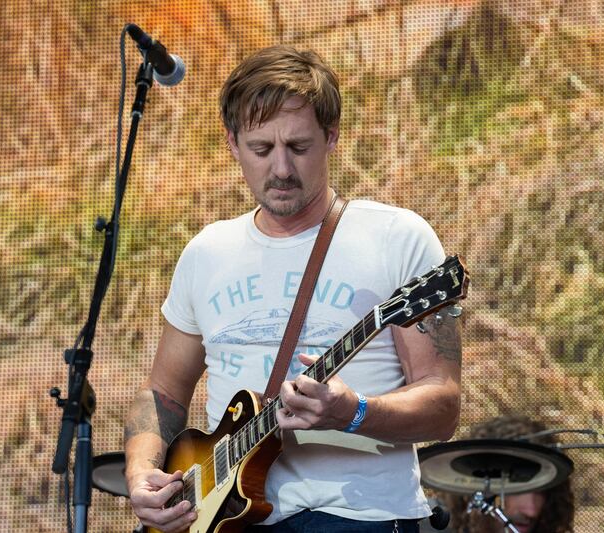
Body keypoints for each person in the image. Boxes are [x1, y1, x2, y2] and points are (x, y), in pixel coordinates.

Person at [123, 45, 463, 533]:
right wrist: (141, 473)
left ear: (331, 136)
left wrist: (353, 412)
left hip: (357, 516)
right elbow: (164, 394)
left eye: (298, 147)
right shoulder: (206, 252)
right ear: (232, 143)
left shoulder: (397, 237)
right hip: (224, 518)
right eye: (261, 149)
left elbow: (443, 406)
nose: (281, 169)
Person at [439, 415, 575, 533]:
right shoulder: (431, 525)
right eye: (517, 488)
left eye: (541, 490)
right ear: (479, 479)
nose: (531, 510)